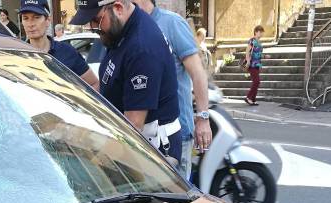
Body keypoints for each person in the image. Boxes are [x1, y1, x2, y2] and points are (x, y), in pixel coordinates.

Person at [71, 0, 182, 166]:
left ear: (118, 8)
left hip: (152, 147)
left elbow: (134, 124)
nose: (91, 27)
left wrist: (95, 163)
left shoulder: (141, 47)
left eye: (96, 20)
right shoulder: (121, 28)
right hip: (129, 138)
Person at [134, 0, 210, 181]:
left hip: (176, 134)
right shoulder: (130, 28)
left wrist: (203, 118)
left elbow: (198, 73)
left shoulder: (172, 23)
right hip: (143, 135)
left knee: (176, 198)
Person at [20, 0, 99, 90]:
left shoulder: (67, 52)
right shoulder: (17, 56)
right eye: (25, 18)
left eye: (36, 17)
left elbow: (94, 84)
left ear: (48, 21)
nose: (30, 24)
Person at [244, 24, 263, 106]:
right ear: (256, 32)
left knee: (257, 82)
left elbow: (259, 53)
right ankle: (248, 97)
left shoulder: (259, 42)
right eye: (260, 32)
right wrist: (248, 61)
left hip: (258, 64)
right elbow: (247, 51)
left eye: (262, 32)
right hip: (252, 64)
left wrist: (265, 56)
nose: (261, 34)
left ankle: (253, 99)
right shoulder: (252, 40)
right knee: (256, 81)